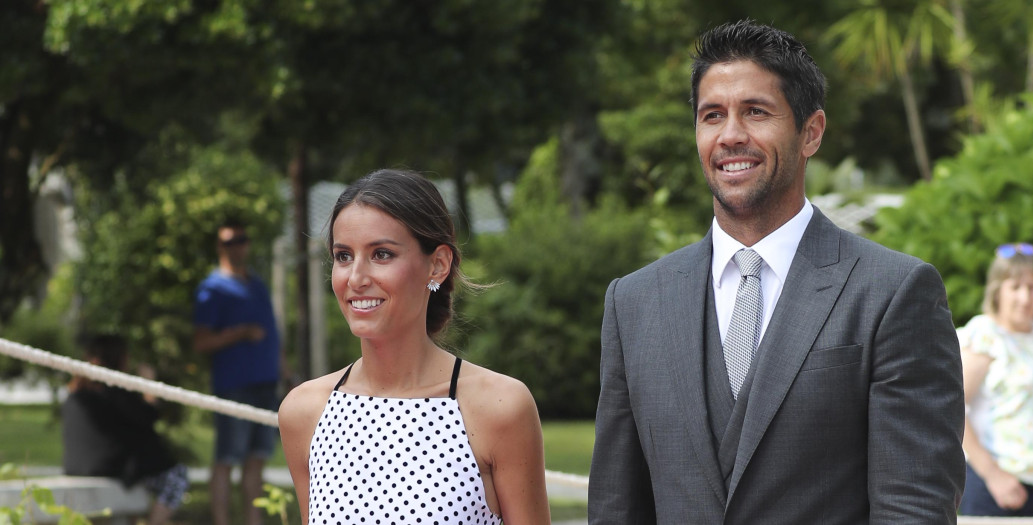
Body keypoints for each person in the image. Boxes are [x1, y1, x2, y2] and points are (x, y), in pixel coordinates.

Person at [588, 20, 965, 524]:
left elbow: (913, 509)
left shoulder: (893, 293)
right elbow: (616, 508)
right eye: (712, 115)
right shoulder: (634, 303)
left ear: (811, 132)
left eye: (756, 112)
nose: (730, 135)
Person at [278, 169, 551, 525]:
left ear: (437, 265)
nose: (356, 278)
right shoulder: (304, 412)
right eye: (343, 256)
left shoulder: (499, 407)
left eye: (381, 254)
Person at [958, 243, 1033, 516]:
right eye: (1015, 287)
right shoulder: (984, 334)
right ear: (997, 291)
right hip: (1000, 488)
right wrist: (993, 474)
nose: (1025, 297)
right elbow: (952, 410)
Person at [192, 219, 284, 525]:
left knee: (257, 460)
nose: (237, 246)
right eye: (229, 241)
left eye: (241, 240)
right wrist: (240, 333)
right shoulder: (212, 289)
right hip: (234, 387)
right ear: (220, 246)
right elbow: (201, 342)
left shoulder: (258, 284)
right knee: (226, 459)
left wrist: (287, 373)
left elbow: (272, 335)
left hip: (266, 384)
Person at [62, 334, 189, 525]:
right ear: (121, 359)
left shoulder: (75, 396)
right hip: (108, 470)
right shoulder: (115, 393)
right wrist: (149, 385)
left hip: (75, 469)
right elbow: (148, 416)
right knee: (176, 477)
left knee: (139, 475)